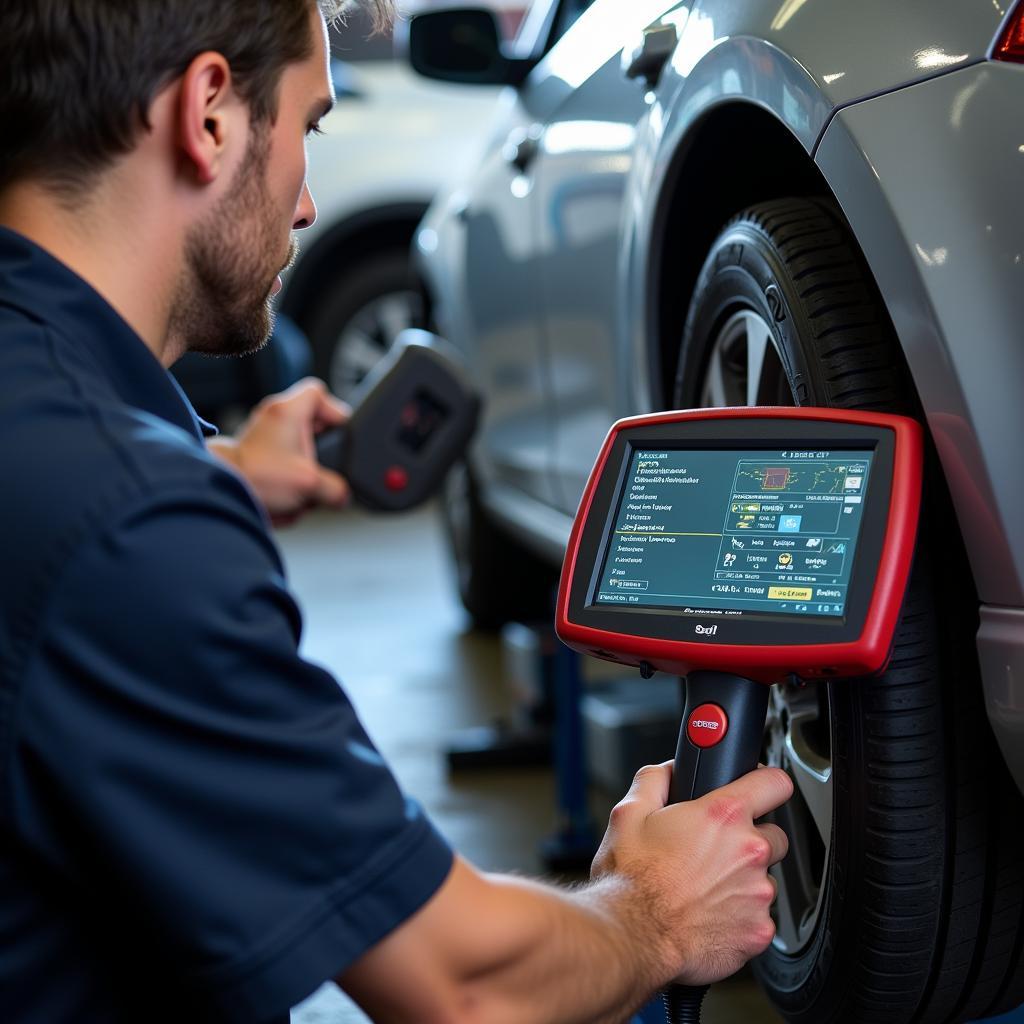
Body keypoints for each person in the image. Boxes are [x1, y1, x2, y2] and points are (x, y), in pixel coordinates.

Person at [0, 2, 793, 1022]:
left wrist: (218, 469)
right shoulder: (128, 521)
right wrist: (657, 911)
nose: (307, 204)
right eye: (308, 125)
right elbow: (460, 985)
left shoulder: (77, 451)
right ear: (207, 116)